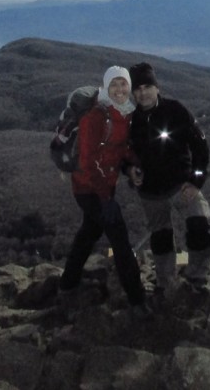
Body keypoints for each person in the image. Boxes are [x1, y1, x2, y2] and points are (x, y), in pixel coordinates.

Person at [58, 66, 151, 320]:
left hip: (103, 187)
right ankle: (137, 300)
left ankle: (67, 284)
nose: (120, 90)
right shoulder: (96, 116)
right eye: (114, 86)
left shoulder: (125, 113)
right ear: (106, 88)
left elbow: (119, 149)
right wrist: (106, 199)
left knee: (89, 231)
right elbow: (88, 162)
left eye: (124, 85)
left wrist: (134, 164)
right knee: (120, 240)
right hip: (88, 188)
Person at [127, 62, 210, 293]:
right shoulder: (130, 121)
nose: (142, 93)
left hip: (181, 185)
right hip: (150, 192)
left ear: (157, 87)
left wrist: (196, 182)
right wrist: (129, 169)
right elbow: (124, 155)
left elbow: (201, 148)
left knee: (198, 223)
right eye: (137, 88)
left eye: (147, 86)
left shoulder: (175, 110)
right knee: (161, 237)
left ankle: (197, 277)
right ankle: (166, 284)